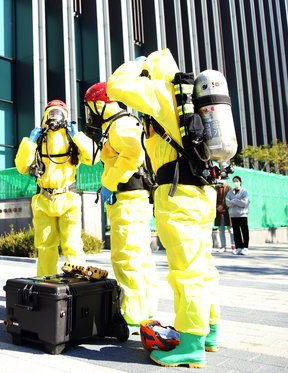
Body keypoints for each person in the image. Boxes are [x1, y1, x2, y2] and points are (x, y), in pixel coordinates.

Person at [107, 49, 220, 368]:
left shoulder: (160, 88)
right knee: (203, 264)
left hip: (178, 191)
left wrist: (140, 64)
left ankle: (191, 343)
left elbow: (116, 85)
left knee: (187, 270)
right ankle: (210, 330)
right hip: (202, 190)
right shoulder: (186, 95)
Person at [83, 82, 158, 334]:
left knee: (126, 257)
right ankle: (145, 310)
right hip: (129, 198)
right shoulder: (116, 124)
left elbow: (131, 155)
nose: (90, 114)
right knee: (139, 256)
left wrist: (109, 182)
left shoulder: (121, 124)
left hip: (128, 197)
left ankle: (134, 315)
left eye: (91, 107)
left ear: (101, 103)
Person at [15, 100, 95, 276]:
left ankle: (77, 283)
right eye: (51, 114)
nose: (54, 118)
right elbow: (22, 167)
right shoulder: (40, 140)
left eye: (58, 114)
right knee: (45, 247)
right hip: (44, 198)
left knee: (72, 244)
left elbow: (92, 158)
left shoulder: (71, 138)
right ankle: (45, 283)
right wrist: (29, 141)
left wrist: (78, 136)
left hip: (68, 197)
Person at [226, 176, 250, 255]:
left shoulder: (244, 191)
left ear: (240, 182)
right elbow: (227, 202)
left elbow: (244, 203)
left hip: (242, 214)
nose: (235, 182)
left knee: (244, 231)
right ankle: (238, 247)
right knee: (236, 232)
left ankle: (245, 247)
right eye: (234, 181)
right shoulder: (230, 192)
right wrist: (236, 201)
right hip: (233, 214)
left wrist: (234, 201)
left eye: (237, 181)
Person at [215, 181, 235, 253]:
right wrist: (217, 207)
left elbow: (232, 200)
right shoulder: (215, 188)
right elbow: (212, 199)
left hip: (228, 212)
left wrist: (223, 206)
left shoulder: (230, 188)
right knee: (221, 230)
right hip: (219, 212)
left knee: (231, 230)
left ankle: (234, 246)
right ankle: (223, 246)